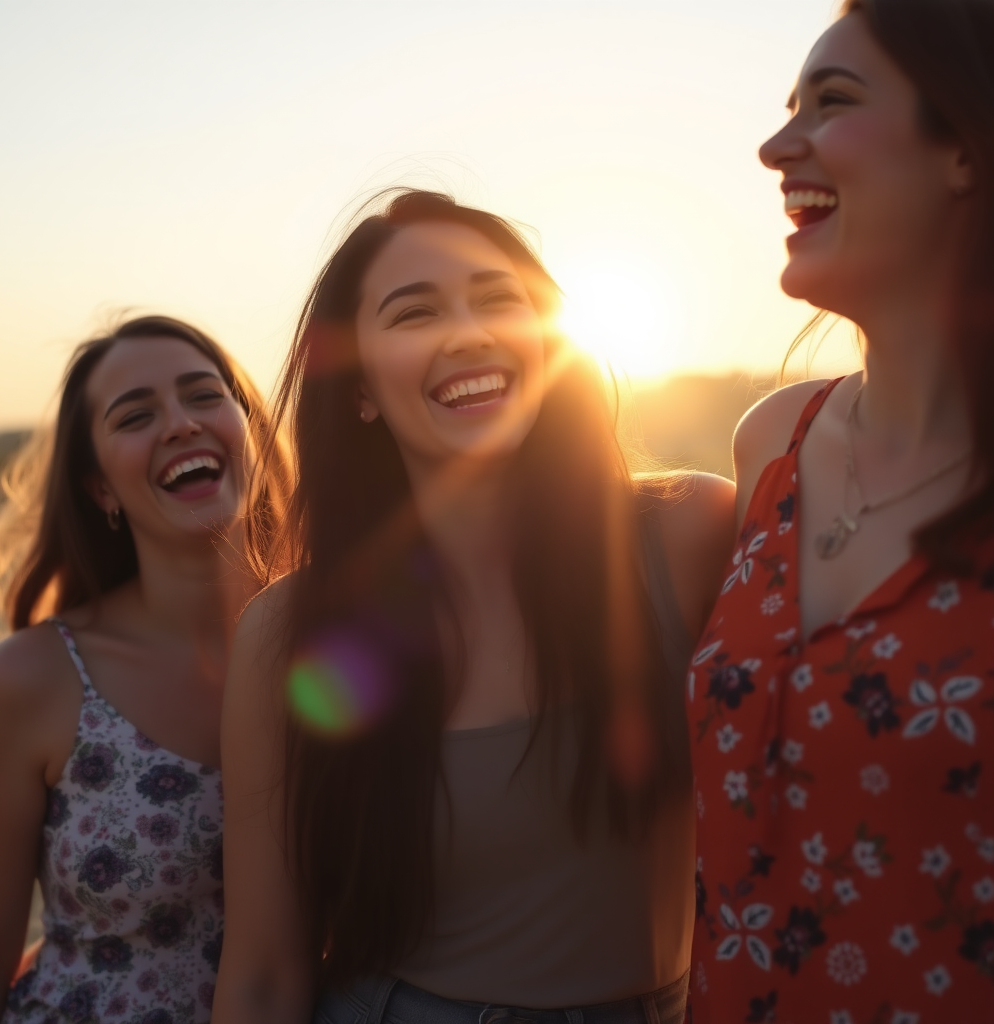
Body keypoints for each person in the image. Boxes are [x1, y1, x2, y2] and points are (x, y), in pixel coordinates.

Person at [212, 190, 735, 1024]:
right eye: (414, 313)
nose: (470, 333)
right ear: (359, 391)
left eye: (499, 299)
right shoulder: (289, 635)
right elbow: (266, 974)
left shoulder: (688, 533)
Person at [686, 1, 994, 1020]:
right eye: (787, 107)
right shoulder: (770, 442)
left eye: (833, 101)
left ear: (961, 147)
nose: (777, 145)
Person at [0, 316, 290, 1023]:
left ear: (250, 432)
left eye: (204, 396)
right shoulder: (35, 677)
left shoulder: (336, 644)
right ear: (99, 487)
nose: (179, 424)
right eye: (136, 415)